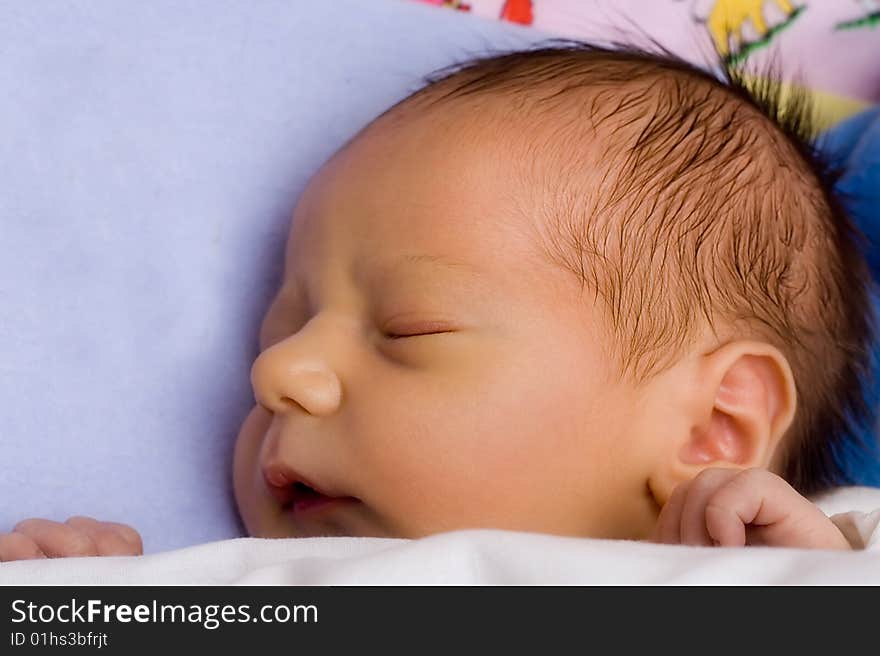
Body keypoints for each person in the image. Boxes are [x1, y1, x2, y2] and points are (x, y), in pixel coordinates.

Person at [3, 44, 879, 561]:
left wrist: (800, 594)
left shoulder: (827, 553)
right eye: (286, 327)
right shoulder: (255, 596)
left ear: (712, 430)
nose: (278, 371)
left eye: (406, 329)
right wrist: (84, 613)